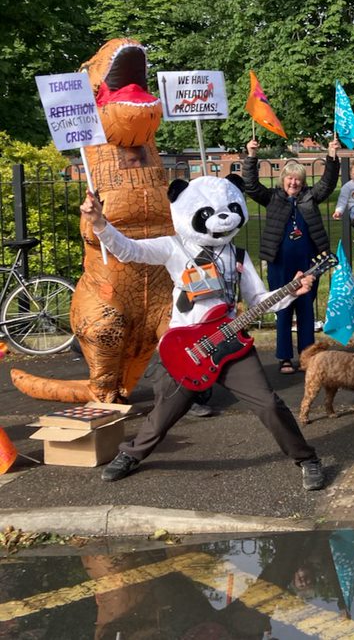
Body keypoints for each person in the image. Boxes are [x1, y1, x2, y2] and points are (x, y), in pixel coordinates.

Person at [81, 184, 325, 490]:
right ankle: (131, 455)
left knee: (268, 404)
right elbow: (130, 249)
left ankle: (307, 459)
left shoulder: (237, 254)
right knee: (164, 412)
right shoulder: (174, 247)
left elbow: (259, 298)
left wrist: (291, 291)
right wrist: (100, 223)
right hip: (186, 348)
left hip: (231, 345)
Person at [243, 139, 340, 375]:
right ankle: (284, 357)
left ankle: (308, 359)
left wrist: (331, 155)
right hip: (280, 264)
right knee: (282, 309)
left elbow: (327, 184)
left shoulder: (309, 197)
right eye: (290, 178)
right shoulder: (273, 197)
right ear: (283, 180)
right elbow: (252, 185)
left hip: (308, 264)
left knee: (306, 310)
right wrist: (251, 155)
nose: (294, 182)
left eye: (298, 179)